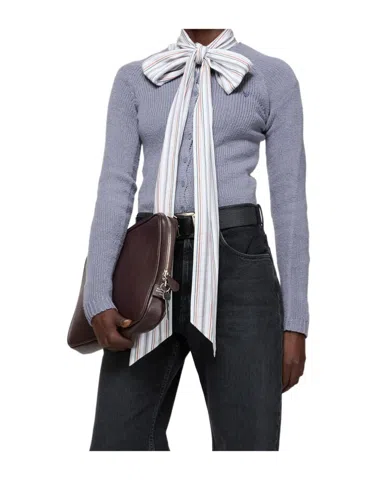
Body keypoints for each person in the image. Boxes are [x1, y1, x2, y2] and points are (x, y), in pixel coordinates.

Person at [83, 28, 309, 451]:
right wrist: (96, 294)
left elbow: (290, 202)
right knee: (117, 444)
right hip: (147, 264)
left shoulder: (271, 77)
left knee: (247, 447)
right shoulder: (135, 78)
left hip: (239, 268)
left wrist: (295, 323)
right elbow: (114, 187)